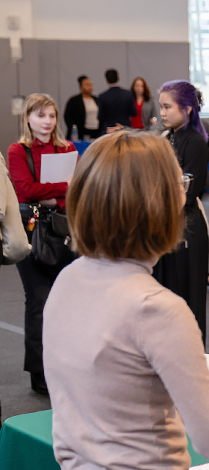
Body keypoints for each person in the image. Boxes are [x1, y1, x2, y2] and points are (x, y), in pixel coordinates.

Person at [43, 131, 209, 469]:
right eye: (178, 183)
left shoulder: (68, 279)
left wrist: (187, 402)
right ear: (156, 204)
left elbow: (109, 390)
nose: (184, 192)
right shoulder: (157, 309)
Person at [7, 93, 77, 394]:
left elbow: (79, 187)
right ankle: (39, 372)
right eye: (40, 116)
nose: (47, 122)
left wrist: (52, 194)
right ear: (28, 118)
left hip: (64, 230)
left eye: (51, 116)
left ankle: (67, 366)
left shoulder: (67, 148)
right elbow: (24, 190)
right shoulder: (17, 150)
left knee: (66, 304)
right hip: (32, 232)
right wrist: (61, 190)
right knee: (38, 301)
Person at [155, 80, 209, 344]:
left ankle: (194, 360)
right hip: (165, 226)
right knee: (167, 296)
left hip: (187, 227)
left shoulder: (196, 143)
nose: (163, 112)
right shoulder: (167, 138)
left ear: (187, 109)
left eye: (168, 107)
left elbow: (188, 194)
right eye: (161, 107)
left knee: (189, 300)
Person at [63, 75, 100, 140]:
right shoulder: (74, 100)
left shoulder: (97, 100)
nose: (90, 87)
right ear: (81, 87)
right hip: (81, 132)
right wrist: (73, 128)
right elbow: (67, 116)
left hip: (95, 131)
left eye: (91, 85)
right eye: (87, 85)